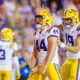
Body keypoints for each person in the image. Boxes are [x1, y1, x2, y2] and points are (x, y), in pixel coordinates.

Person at [28, 9, 61, 80]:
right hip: (40, 65)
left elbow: (52, 51)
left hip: (50, 63)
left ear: (46, 19)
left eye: (40, 18)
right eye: (37, 18)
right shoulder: (36, 33)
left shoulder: (52, 30)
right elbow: (35, 52)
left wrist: (45, 66)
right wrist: (32, 66)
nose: (37, 20)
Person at [58, 5, 80, 80]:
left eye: (69, 19)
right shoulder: (66, 25)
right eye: (65, 19)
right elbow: (57, 27)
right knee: (61, 77)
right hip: (69, 58)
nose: (66, 21)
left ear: (75, 19)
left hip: (78, 59)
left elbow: (76, 49)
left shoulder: (78, 29)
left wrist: (61, 44)